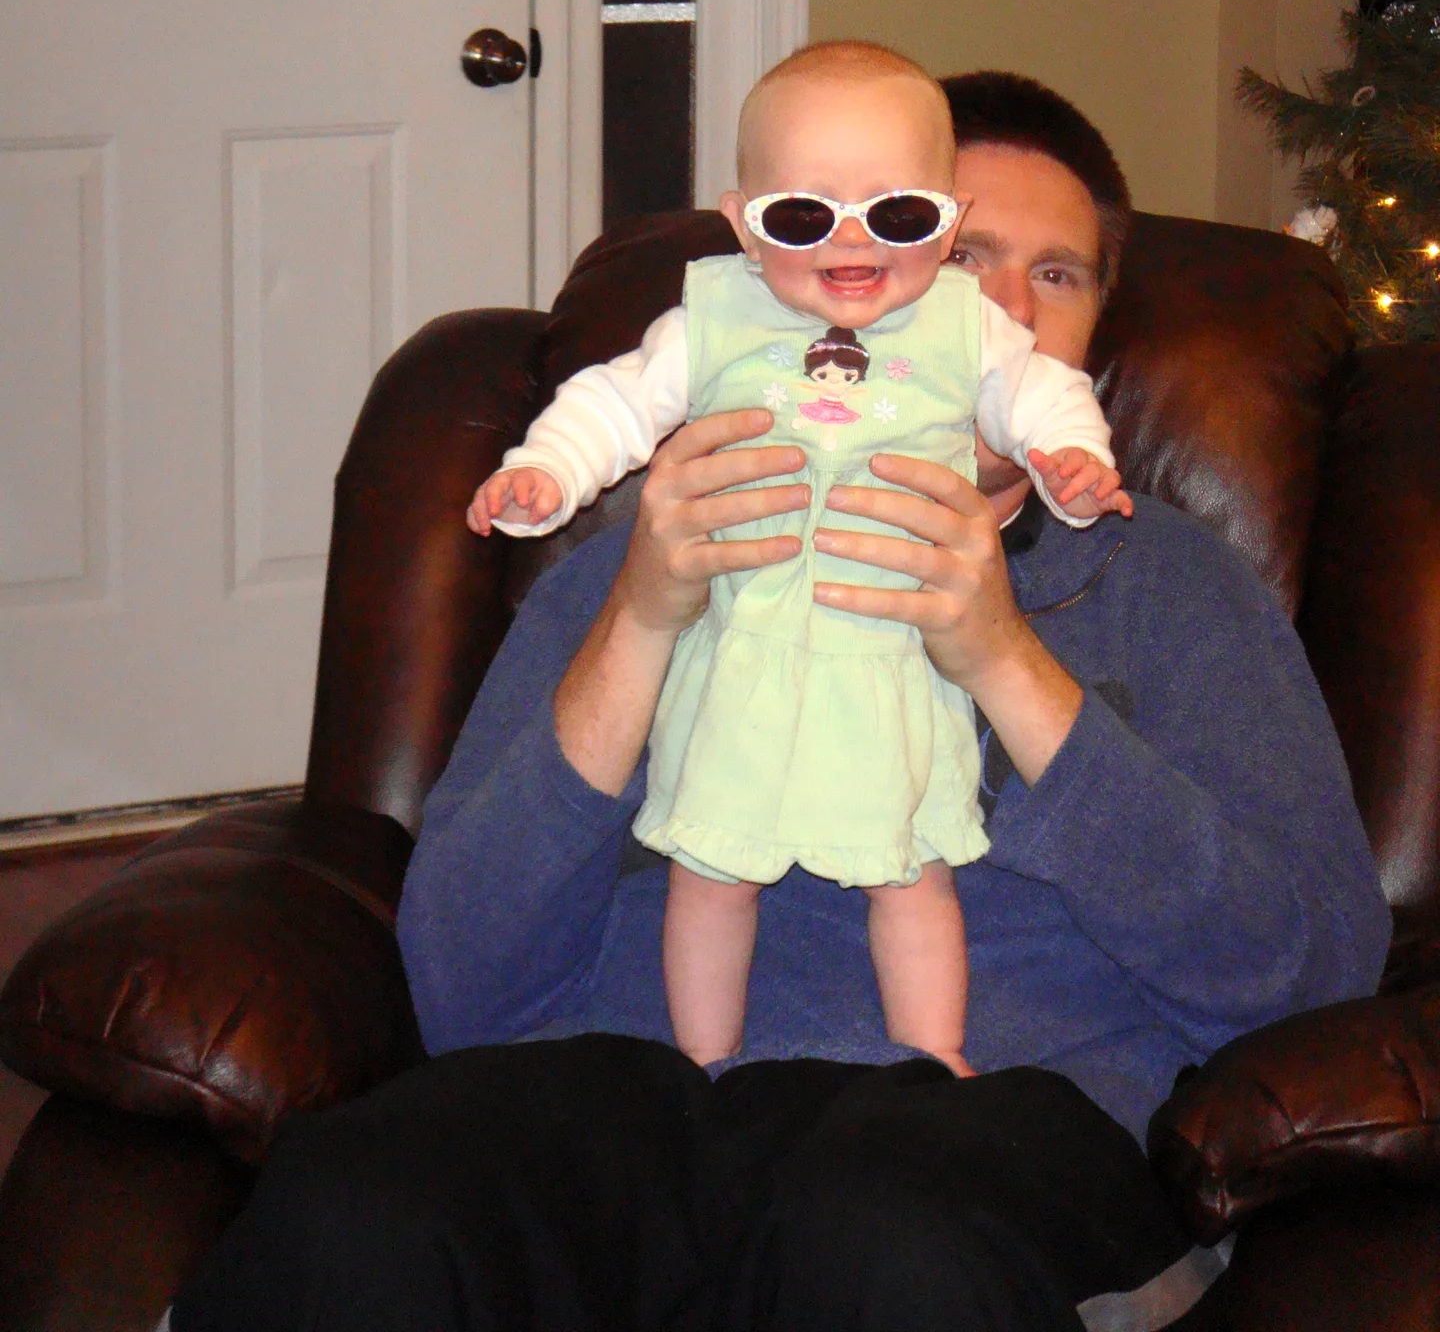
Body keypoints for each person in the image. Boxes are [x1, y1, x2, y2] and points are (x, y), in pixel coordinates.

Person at [169, 71, 1390, 1332]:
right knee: (357, 1205)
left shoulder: (1174, 589)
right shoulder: (628, 562)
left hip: (986, 1117)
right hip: (630, 1093)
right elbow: (460, 980)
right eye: (967, 256)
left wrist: (1005, 664)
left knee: (876, 1238)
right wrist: (645, 620)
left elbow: (1306, 977)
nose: (1007, 307)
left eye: (1059, 275)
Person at [466, 44, 1129, 1078]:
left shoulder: (968, 332)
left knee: (912, 872)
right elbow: (617, 400)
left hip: (893, 670)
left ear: (937, 218)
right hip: (743, 659)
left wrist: (1073, 460)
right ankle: (701, 1065)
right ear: (743, 225)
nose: (850, 242)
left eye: (897, 216)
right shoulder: (713, 324)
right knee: (707, 874)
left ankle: (936, 1060)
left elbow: (1042, 394)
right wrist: (546, 472)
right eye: (802, 216)